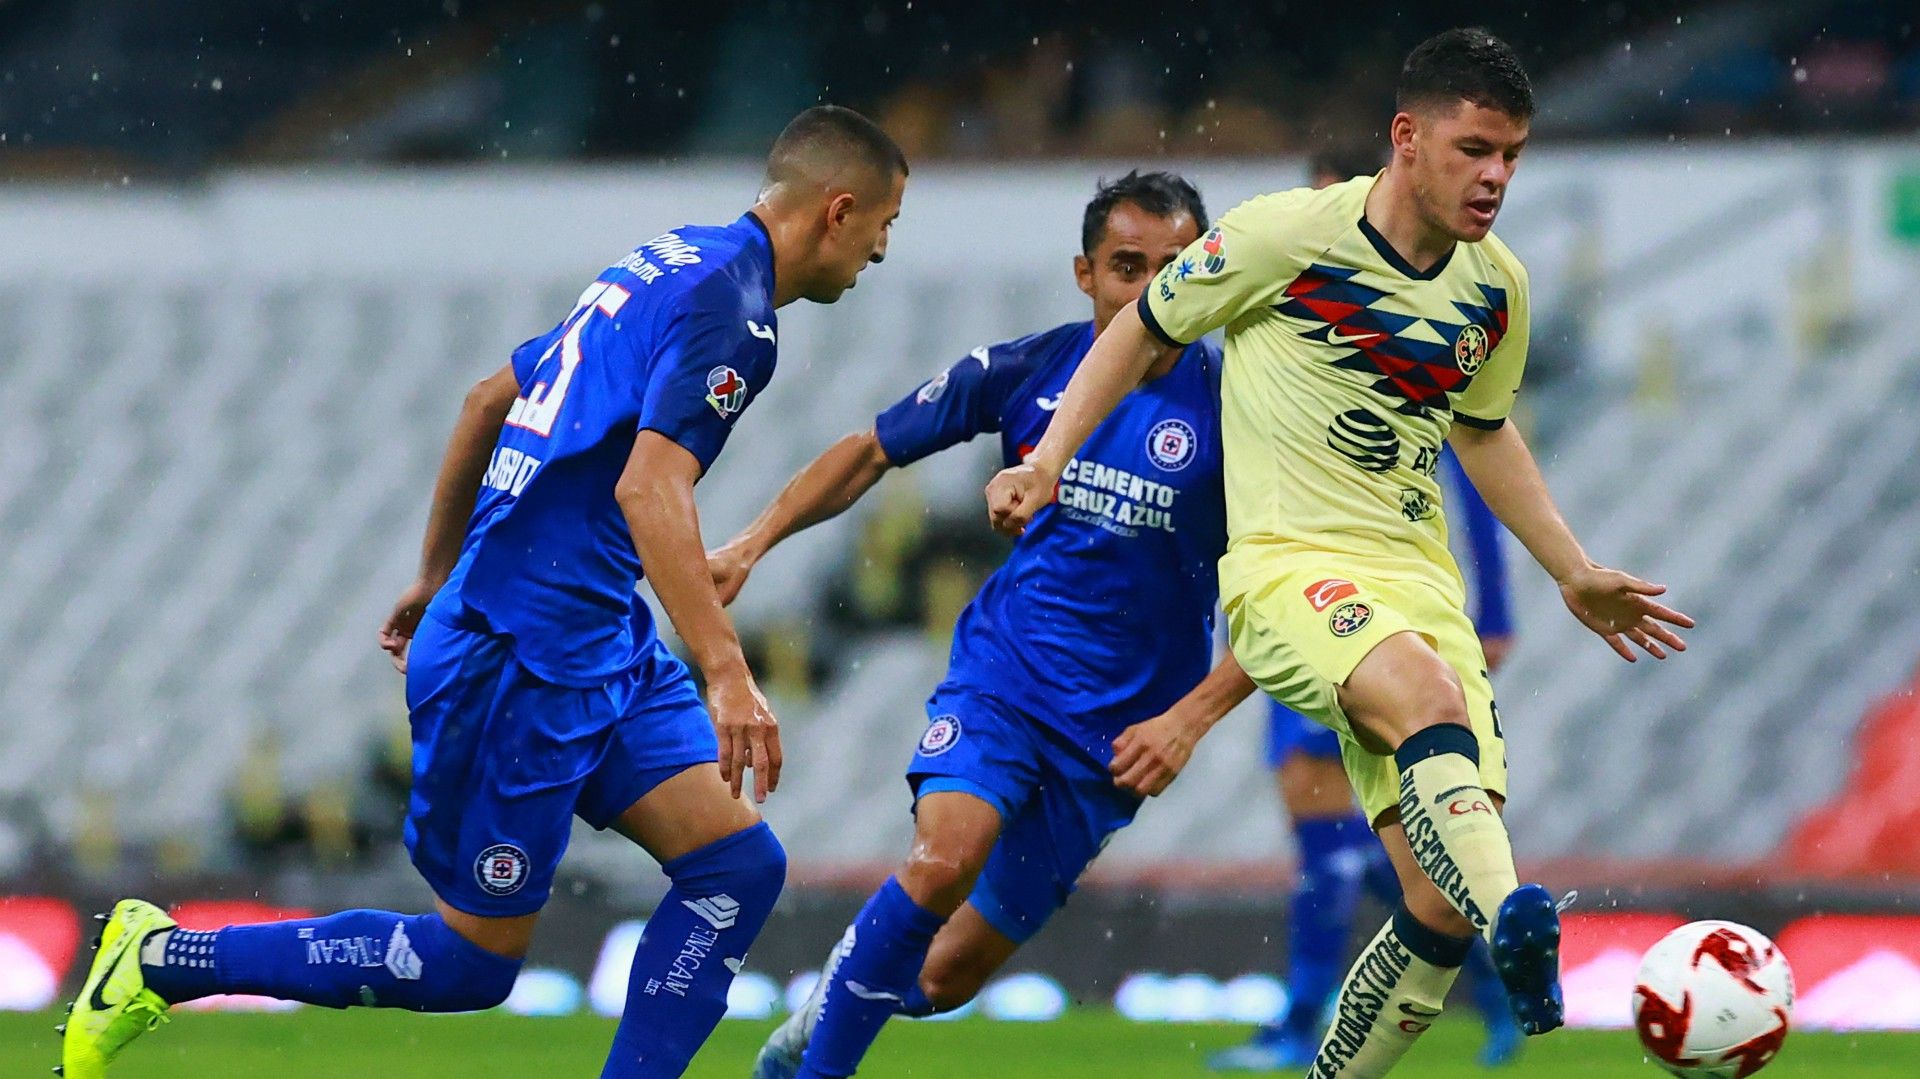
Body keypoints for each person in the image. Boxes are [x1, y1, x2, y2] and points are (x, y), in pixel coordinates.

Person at [60, 105, 907, 1079]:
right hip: (522, 658)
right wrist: (725, 669)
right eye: (885, 223)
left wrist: (436, 572)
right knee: (470, 961)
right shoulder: (736, 314)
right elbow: (648, 487)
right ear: (839, 210)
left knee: (737, 866)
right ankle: (163, 957)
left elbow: (487, 399)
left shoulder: (670, 261)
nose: (883, 250)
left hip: (595, 634)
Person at [985, 29, 1695, 1079]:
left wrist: (1571, 568)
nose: (1496, 176)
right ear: (1407, 138)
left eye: (1511, 155)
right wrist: (1048, 458)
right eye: (1475, 149)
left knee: (1434, 899)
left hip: (1419, 581)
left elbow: (1484, 433)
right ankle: (1517, 916)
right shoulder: (1285, 236)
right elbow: (1141, 327)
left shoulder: (1496, 287)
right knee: (1431, 716)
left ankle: (1406, 992)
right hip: (1288, 564)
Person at [706, 171, 1255, 1079]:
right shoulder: (1032, 369)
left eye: (1176, 267)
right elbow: (871, 449)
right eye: (1128, 267)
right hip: (1006, 680)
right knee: (941, 859)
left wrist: (1188, 719)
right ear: (1085, 274)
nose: (1152, 290)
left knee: (942, 976)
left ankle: (825, 1007)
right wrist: (753, 541)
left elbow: (1287, 601)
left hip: (1118, 735)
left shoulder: (1243, 415)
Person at [1210, 146, 1522, 1073]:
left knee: (1391, 833)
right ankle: (1326, 1014)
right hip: (1299, 596)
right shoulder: (1281, 306)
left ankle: (1471, 990)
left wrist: (1495, 607)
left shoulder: (1423, 324)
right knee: (1332, 837)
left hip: (1387, 599)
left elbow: (1474, 463)